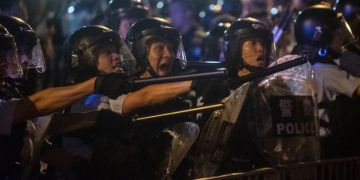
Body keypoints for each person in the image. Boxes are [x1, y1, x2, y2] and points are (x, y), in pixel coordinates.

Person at [292, 4, 360, 158]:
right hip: (330, 149)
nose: (341, 39)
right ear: (321, 36)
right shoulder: (324, 70)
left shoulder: (305, 66)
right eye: (337, 35)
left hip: (313, 148)